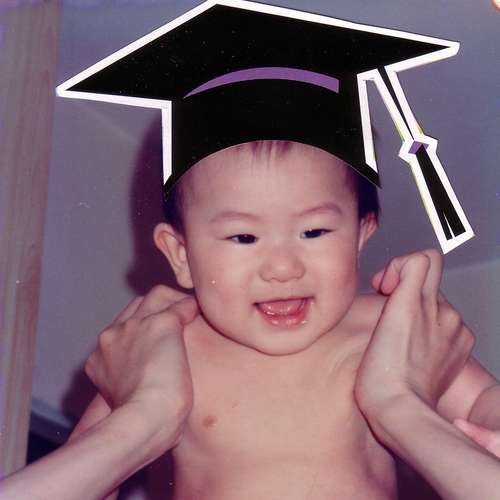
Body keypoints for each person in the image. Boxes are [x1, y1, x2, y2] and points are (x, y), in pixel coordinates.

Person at [2, 141, 499, 500]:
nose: (282, 268)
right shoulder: (168, 347)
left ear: (361, 236)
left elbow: (480, 401)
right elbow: (91, 466)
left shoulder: (387, 329)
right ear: (180, 255)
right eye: (243, 238)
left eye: (314, 231)